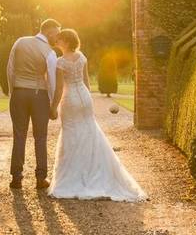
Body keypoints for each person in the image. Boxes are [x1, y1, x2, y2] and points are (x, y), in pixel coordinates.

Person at [47, 28, 147, 201]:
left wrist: (53, 107)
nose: (58, 41)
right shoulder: (82, 57)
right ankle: (95, 170)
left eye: (61, 39)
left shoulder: (60, 62)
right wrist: (87, 99)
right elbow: (86, 82)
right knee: (89, 132)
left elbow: (59, 88)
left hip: (70, 99)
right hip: (84, 98)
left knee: (71, 134)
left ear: (68, 42)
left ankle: (75, 176)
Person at [6, 18, 61, 189]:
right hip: (39, 96)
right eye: (57, 33)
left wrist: (13, 91)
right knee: (40, 137)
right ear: (49, 31)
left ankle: (16, 177)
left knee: (19, 135)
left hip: (19, 92)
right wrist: (53, 105)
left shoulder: (20, 42)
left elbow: (10, 69)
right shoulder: (50, 53)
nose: (57, 38)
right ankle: (40, 178)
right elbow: (51, 80)